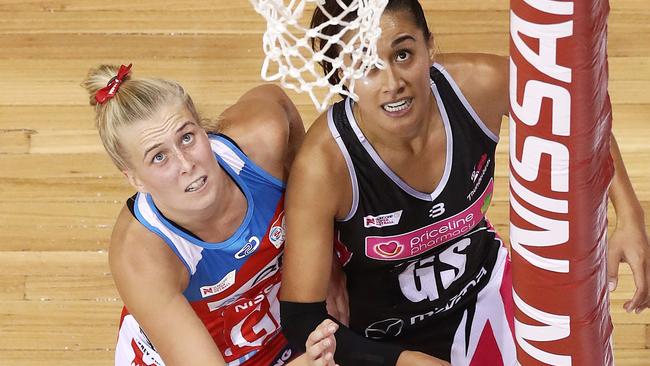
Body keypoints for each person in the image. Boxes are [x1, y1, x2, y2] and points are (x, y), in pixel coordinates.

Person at [278, 0, 650, 365]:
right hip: (384, 340)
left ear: (429, 46)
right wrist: (404, 360)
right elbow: (303, 320)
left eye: (403, 54)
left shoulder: (480, 86)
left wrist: (629, 217)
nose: (393, 82)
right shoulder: (325, 164)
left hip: (482, 290)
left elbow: (577, 120)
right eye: (367, 65)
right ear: (340, 73)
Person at [81, 64, 339, 366]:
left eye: (187, 137)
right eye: (159, 157)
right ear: (135, 179)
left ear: (203, 128)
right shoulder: (141, 256)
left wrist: (327, 264)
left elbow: (277, 100)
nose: (185, 163)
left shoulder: (261, 137)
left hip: (276, 331)